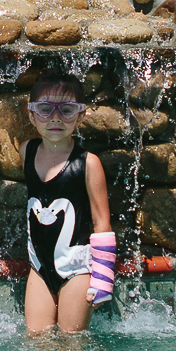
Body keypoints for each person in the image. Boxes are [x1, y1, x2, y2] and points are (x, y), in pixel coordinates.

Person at [20, 71, 116, 334]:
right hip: (39, 268)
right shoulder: (27, 151)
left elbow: (102, 223)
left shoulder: (88, 164)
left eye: (67, 110)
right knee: (36, 344)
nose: (55, 118)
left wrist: (103, 280)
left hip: (76, 270)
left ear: (81, 115)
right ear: (31, 115)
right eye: (44, 109)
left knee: (73, 346)